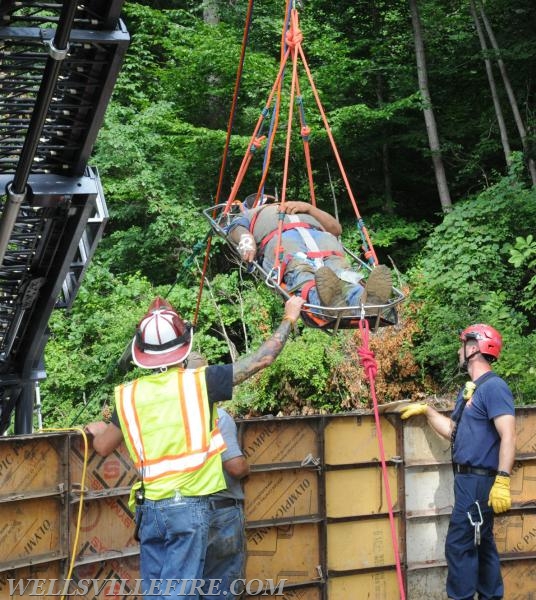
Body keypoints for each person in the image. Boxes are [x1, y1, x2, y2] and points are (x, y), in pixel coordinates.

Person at [85, 294, 304, 599]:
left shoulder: (127, 396)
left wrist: (94, 430)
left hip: (150, 511)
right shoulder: (201, 383)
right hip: (187, 510)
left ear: (141, 354)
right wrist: (289, 318)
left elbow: (104, 445)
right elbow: (261, 359)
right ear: (183, 349)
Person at [400, 324, 515, 600]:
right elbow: (455, 430)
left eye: (462, 344)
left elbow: (509, 434)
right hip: (467, 481)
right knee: (482, 544)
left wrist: (502, 479)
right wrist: (427, 412)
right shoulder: (470, 391)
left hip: (479, 482)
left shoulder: (494, 388)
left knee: (460, 544)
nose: (458, 350)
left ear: (474, 348)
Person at [227, 196, 392, 312]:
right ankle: (328, 300)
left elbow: (336, 229)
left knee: (340, 271)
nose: (272, 201)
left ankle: (366, 300)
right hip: (283, 242)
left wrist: (309, 208)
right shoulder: (252, 213)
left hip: (320, 238)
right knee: (302, 271)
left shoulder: (299, 207)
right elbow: (234, 228)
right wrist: (246, 238)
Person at [187, 353, 249, 600]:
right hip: (220, 513)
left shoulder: (170, 418)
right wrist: (247, 468)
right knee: (220, 590)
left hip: (184, 513)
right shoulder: (217, 417)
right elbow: (235, 467)